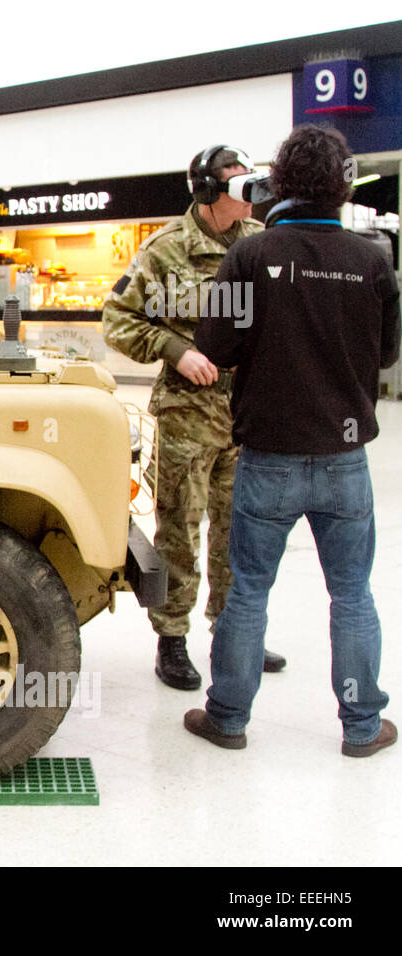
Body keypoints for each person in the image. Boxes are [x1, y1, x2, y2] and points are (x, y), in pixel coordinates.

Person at [190, 125, 399, 755]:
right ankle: (362, 727)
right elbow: (387, 354)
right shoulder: (374, 260)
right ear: (344, 184)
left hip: (268, 457)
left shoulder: (248, 257)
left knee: (248, 589)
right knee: (353, 593)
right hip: (345, 458)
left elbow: (215, 348)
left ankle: (227, 719)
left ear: (278, 182)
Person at [102, 144, 286, 690]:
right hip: (187, 414)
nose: (250, 192)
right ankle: (172, 640)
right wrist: (174, 348)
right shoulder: (166, 249)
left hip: (248, 412)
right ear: (209, 191)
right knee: (180, 528)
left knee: (242, 531)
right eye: (238, 182)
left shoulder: (260, 245)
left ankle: (234, 632)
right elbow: (118, 319)